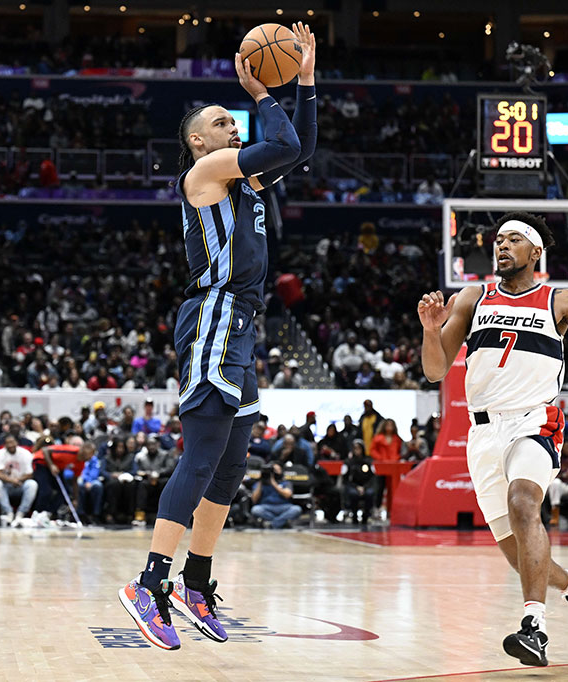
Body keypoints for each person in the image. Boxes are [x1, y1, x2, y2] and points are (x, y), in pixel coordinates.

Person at [119, 22, 317, 651]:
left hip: (242, 324)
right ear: (199, 141)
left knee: (231, 465)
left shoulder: (245, 181)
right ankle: (149, 584)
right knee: (202, 454)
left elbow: (298, 147)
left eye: (234, 120)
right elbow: (279, 141)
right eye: (222, 121)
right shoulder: (206, 173)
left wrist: (305, 78)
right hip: (213, 314)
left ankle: (195, 583)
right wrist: (260, 90)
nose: (234, 126)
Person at [419, 211, 568, 666]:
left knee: (525, 504)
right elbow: (434, 370)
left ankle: (534, 628)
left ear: (535, 252)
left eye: (511, 240)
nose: (500, 247)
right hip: (483, 432)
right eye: (497, 241)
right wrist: (431, 331)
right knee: (515, 549)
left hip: (534, 421)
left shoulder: (557, 299)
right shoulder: (473, 296)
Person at [0, 435, 38, 526]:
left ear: (17, 443)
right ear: (4, 445)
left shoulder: (25, 453)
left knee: (32, 484)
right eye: (8, 443)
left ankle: (20, 514)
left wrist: (17, 480)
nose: (10, 445)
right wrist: (12, 481)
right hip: (7, 486)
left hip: (21, 484)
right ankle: (8, 513)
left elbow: (30, 473)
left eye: (12, 442)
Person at [249, 462, 301, 529]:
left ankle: (273, 524)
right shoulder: (261, 483)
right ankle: (282, 522)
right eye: (273, 470)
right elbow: (254, 499)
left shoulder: (285, 482)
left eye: (277, 470)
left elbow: (287, 495)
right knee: (255, 510)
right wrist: (261, 480)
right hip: (267, 507)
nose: (275, 472)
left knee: (296, 509)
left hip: (284, 507)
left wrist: (273, 483)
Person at [340, 439, 376, 525]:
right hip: (353, 486)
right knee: (353, 494)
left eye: (359, 448)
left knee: (370, 493)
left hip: (366, 486)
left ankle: (366, 516)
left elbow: (373, 478)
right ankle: (354, 516)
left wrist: (364, 487)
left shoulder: (369, 461)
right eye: (355, 448)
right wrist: (356, 487)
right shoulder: (348, 462)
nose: (357, 451)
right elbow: (345, 479)